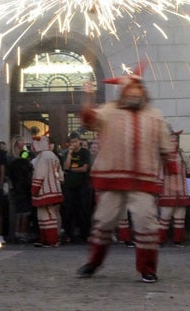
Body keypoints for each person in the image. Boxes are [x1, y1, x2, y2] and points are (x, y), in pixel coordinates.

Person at [77, 71, 176, 283]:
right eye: (129, 89)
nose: (134, 93)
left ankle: (147, 269)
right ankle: (93, 263)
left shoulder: (155, 115)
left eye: (137, 88)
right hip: (113, 177)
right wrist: (88, 97)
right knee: (104, 221)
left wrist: (172, 170)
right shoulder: (109, 110)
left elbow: (166, 146)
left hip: (143, 179)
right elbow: (88, 120)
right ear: (123, 92)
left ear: (143, 91)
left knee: (146, 223)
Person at [157, 130, 190, 247]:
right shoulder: (162, 157)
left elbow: (189, 172)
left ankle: (178, 240)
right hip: (167, 191)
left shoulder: (183, 156)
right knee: (165, 217)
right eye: (171, 140)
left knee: (179, 218)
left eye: (175, 140)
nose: (173, 142)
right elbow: (158, 173)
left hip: (181, 191)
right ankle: (161, 240)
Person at [31, 137, 64, 247]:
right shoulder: (53, 155)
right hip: (53, 188)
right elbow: (61, 175)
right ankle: (45, 239)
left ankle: (51, 240)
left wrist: (34, 189)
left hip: (44, 190)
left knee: (47, 215)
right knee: (44, 214)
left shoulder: (42, 157)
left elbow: (39, 174)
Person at [62, 133, 93, 243]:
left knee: (84, 210)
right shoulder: (67, 153)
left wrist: (72, 170)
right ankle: (69, 234)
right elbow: (65, 167)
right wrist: (70, 154)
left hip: (82, 185)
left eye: (75, 141)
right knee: (69, 210)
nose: (74, 144)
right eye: (71, 142)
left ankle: (85, 234)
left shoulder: (85, 152)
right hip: (69, 186)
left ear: (79, 141)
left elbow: (84, 168)